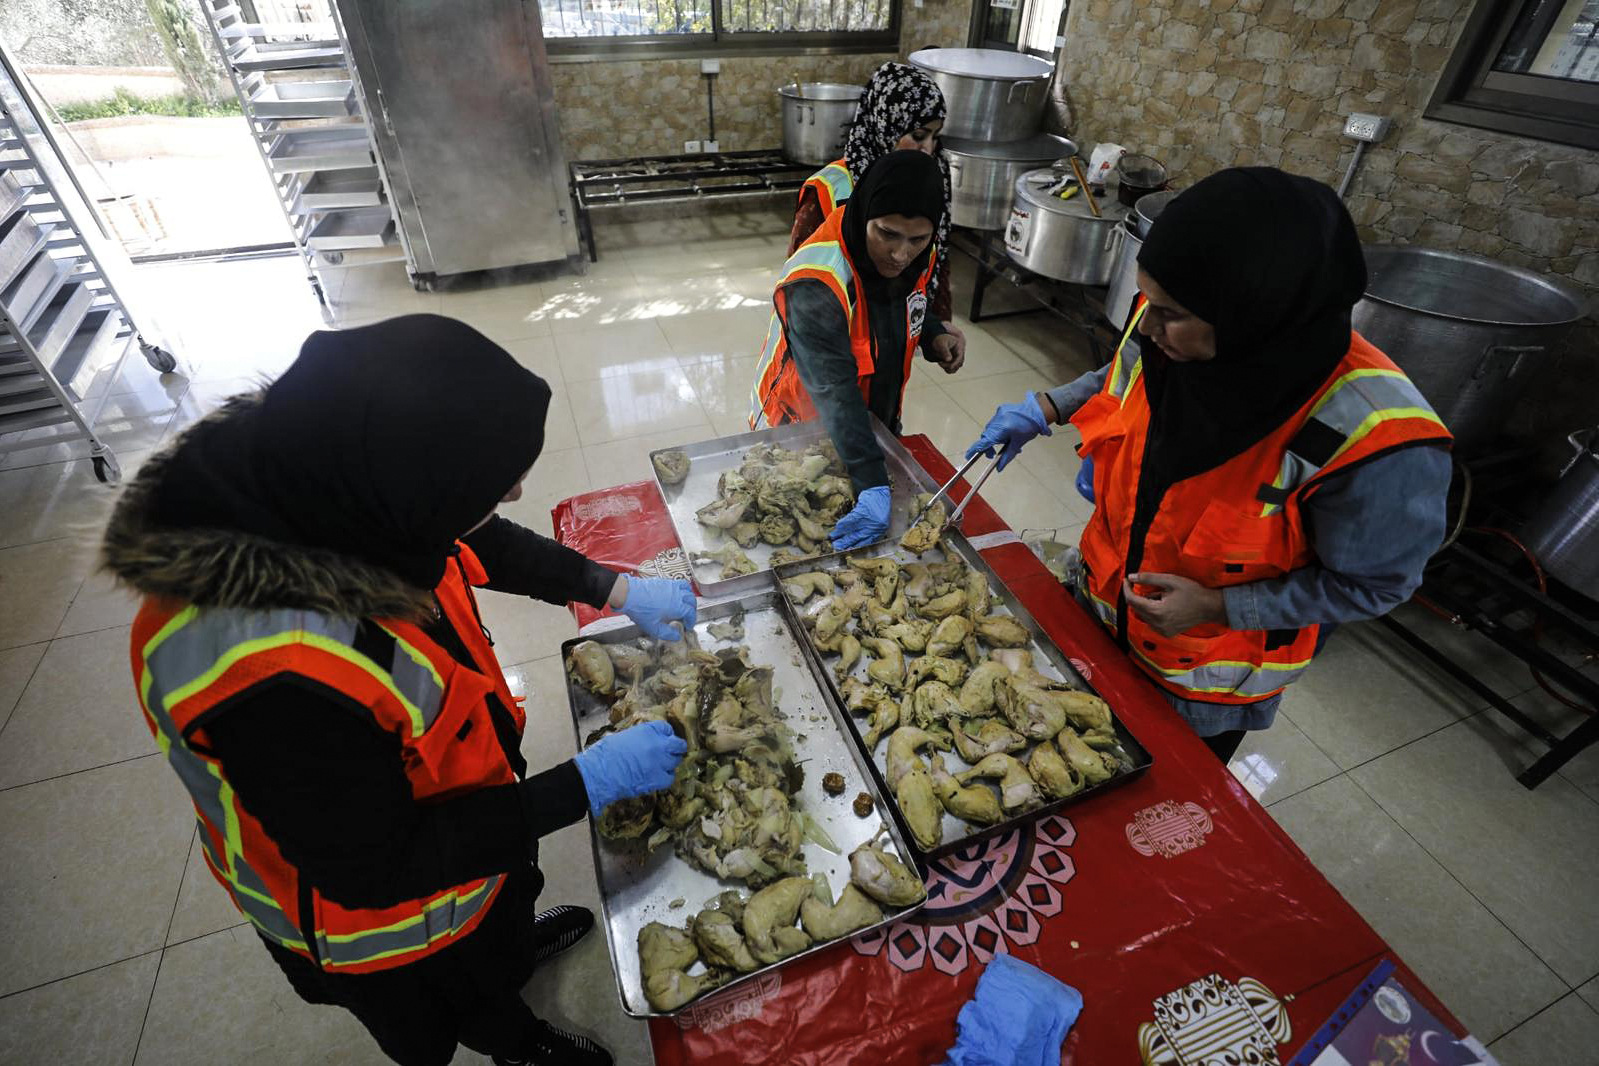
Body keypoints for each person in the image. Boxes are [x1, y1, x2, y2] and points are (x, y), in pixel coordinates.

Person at [102, 315, 696, 1066]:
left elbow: (479, 537)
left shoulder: (349, 480)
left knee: (499, 943)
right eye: (493, 483)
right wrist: (583, 784)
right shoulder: (273, 677)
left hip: (462, 823)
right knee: (457, 1003)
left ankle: (509, 955)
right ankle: (518, 1044)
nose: (515, 491)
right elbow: (379, 868)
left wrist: (609, 586)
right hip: (386, 928)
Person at [965, 167, 1454, 762]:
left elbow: (1376, 585)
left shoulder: (1375, 439)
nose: (1147, 325)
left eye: (1169, 312)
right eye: (1147, 301)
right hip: (1098, 610)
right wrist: (1049, 406)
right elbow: (1128, 369)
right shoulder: (1174, 332)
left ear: (1251, 312)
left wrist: (1221, 606)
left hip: (1199, 686)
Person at [751, 150, 967, 550]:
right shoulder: (817, 280)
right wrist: (872, 480)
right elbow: (834, 391)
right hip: (799, 429)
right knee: (789, 534)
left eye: (917, 239)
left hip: (868, 424)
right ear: (866, 212)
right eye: (887, 234)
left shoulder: (918, 251)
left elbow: (899, 300)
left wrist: (932, 331)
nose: (901, 254)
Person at [789, 61, 959, 327]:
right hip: (837, 331)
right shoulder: (832, 187)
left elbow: (939, 254)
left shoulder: (933, 180)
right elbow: (800, 281)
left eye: (934, 137)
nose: (928, 148)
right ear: (885, 124)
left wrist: (938, 325)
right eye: (918, 135)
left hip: (900, 331)